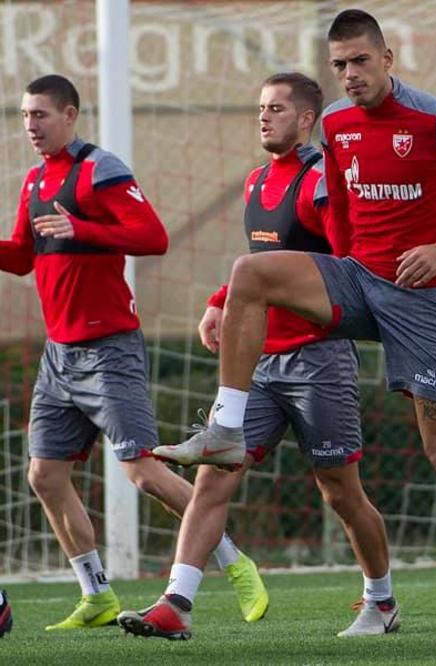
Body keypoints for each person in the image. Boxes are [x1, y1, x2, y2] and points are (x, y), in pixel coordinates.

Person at [153, 10, 436, 646]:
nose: (350, 75)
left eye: (360, 61)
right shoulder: (334, 124)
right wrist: (343, 265)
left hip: (424, 299)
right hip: (357, 280)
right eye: (340, 65)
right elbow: (345, 209)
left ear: (388, 58)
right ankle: (226, 427)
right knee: (249, 275)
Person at [117, 73, 393, 640]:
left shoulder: (322, 180)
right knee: (217, 477)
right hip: (260, 366)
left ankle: (381, 600)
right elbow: (258, 261)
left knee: (340, 493)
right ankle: (177, 603)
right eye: (260, 109)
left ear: (307, 118)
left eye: (277, 109)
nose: (264, 117)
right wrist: (221, 302)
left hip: (319, 360)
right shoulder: (256, 182)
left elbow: (346, 262)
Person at [0, 75, 266, 631]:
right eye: (25, 116)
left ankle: (235, 561)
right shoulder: (32, 182)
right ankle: (95, 593)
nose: (30, 125)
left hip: (108, 350)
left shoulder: (100, 169)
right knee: (45, 476)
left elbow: (152, 237)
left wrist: (82, 228)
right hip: (59, 355)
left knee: (143, 473)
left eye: (41, 115)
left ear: (70, 115)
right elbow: (25, 257)